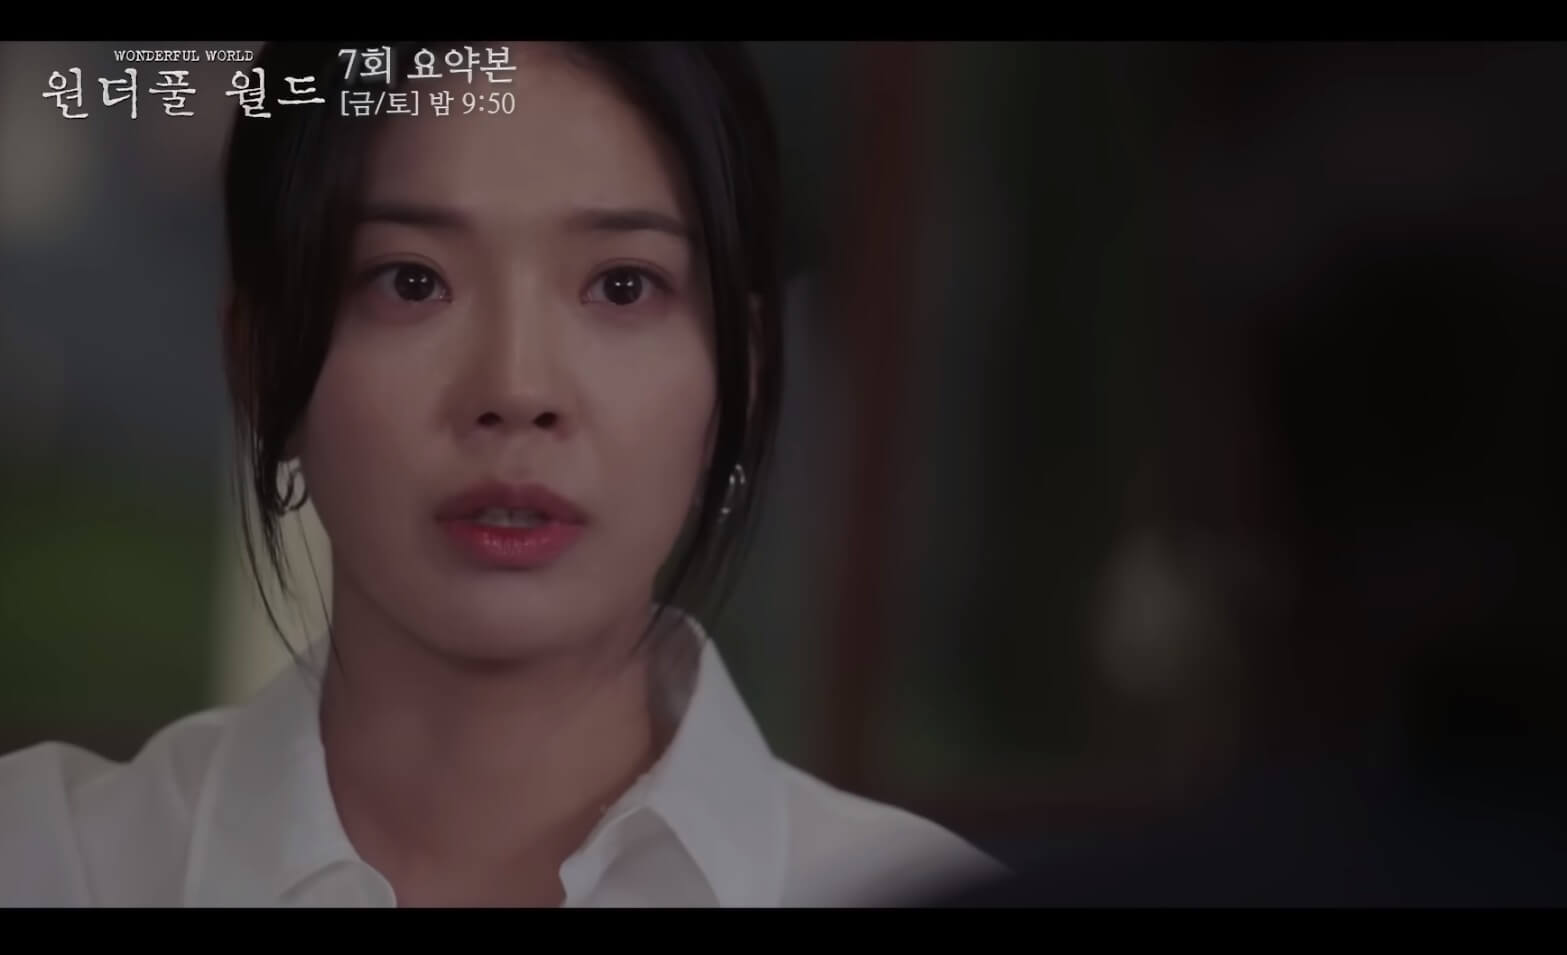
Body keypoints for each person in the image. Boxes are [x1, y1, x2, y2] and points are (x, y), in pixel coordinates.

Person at [0, 41, 1002, 907]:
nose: (517, 389)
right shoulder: (47, 859)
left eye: (622, 285)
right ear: (264, 364)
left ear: (735, 370)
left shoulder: (910, 889)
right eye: (411, 280)